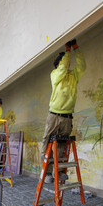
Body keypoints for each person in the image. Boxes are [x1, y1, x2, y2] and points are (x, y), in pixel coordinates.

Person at [40, 39, 86, 183]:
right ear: (58, 64)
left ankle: (58, 172)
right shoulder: (55, 75)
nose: (66, 64)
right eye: (63, 62)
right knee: (47, 143)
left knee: (61, 146)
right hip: (54, 115)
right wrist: (67, 50)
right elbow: (62, 68)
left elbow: (82, 66)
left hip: (67, 117)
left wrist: (76, 48)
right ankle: (47, 172)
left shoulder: (73, 76)